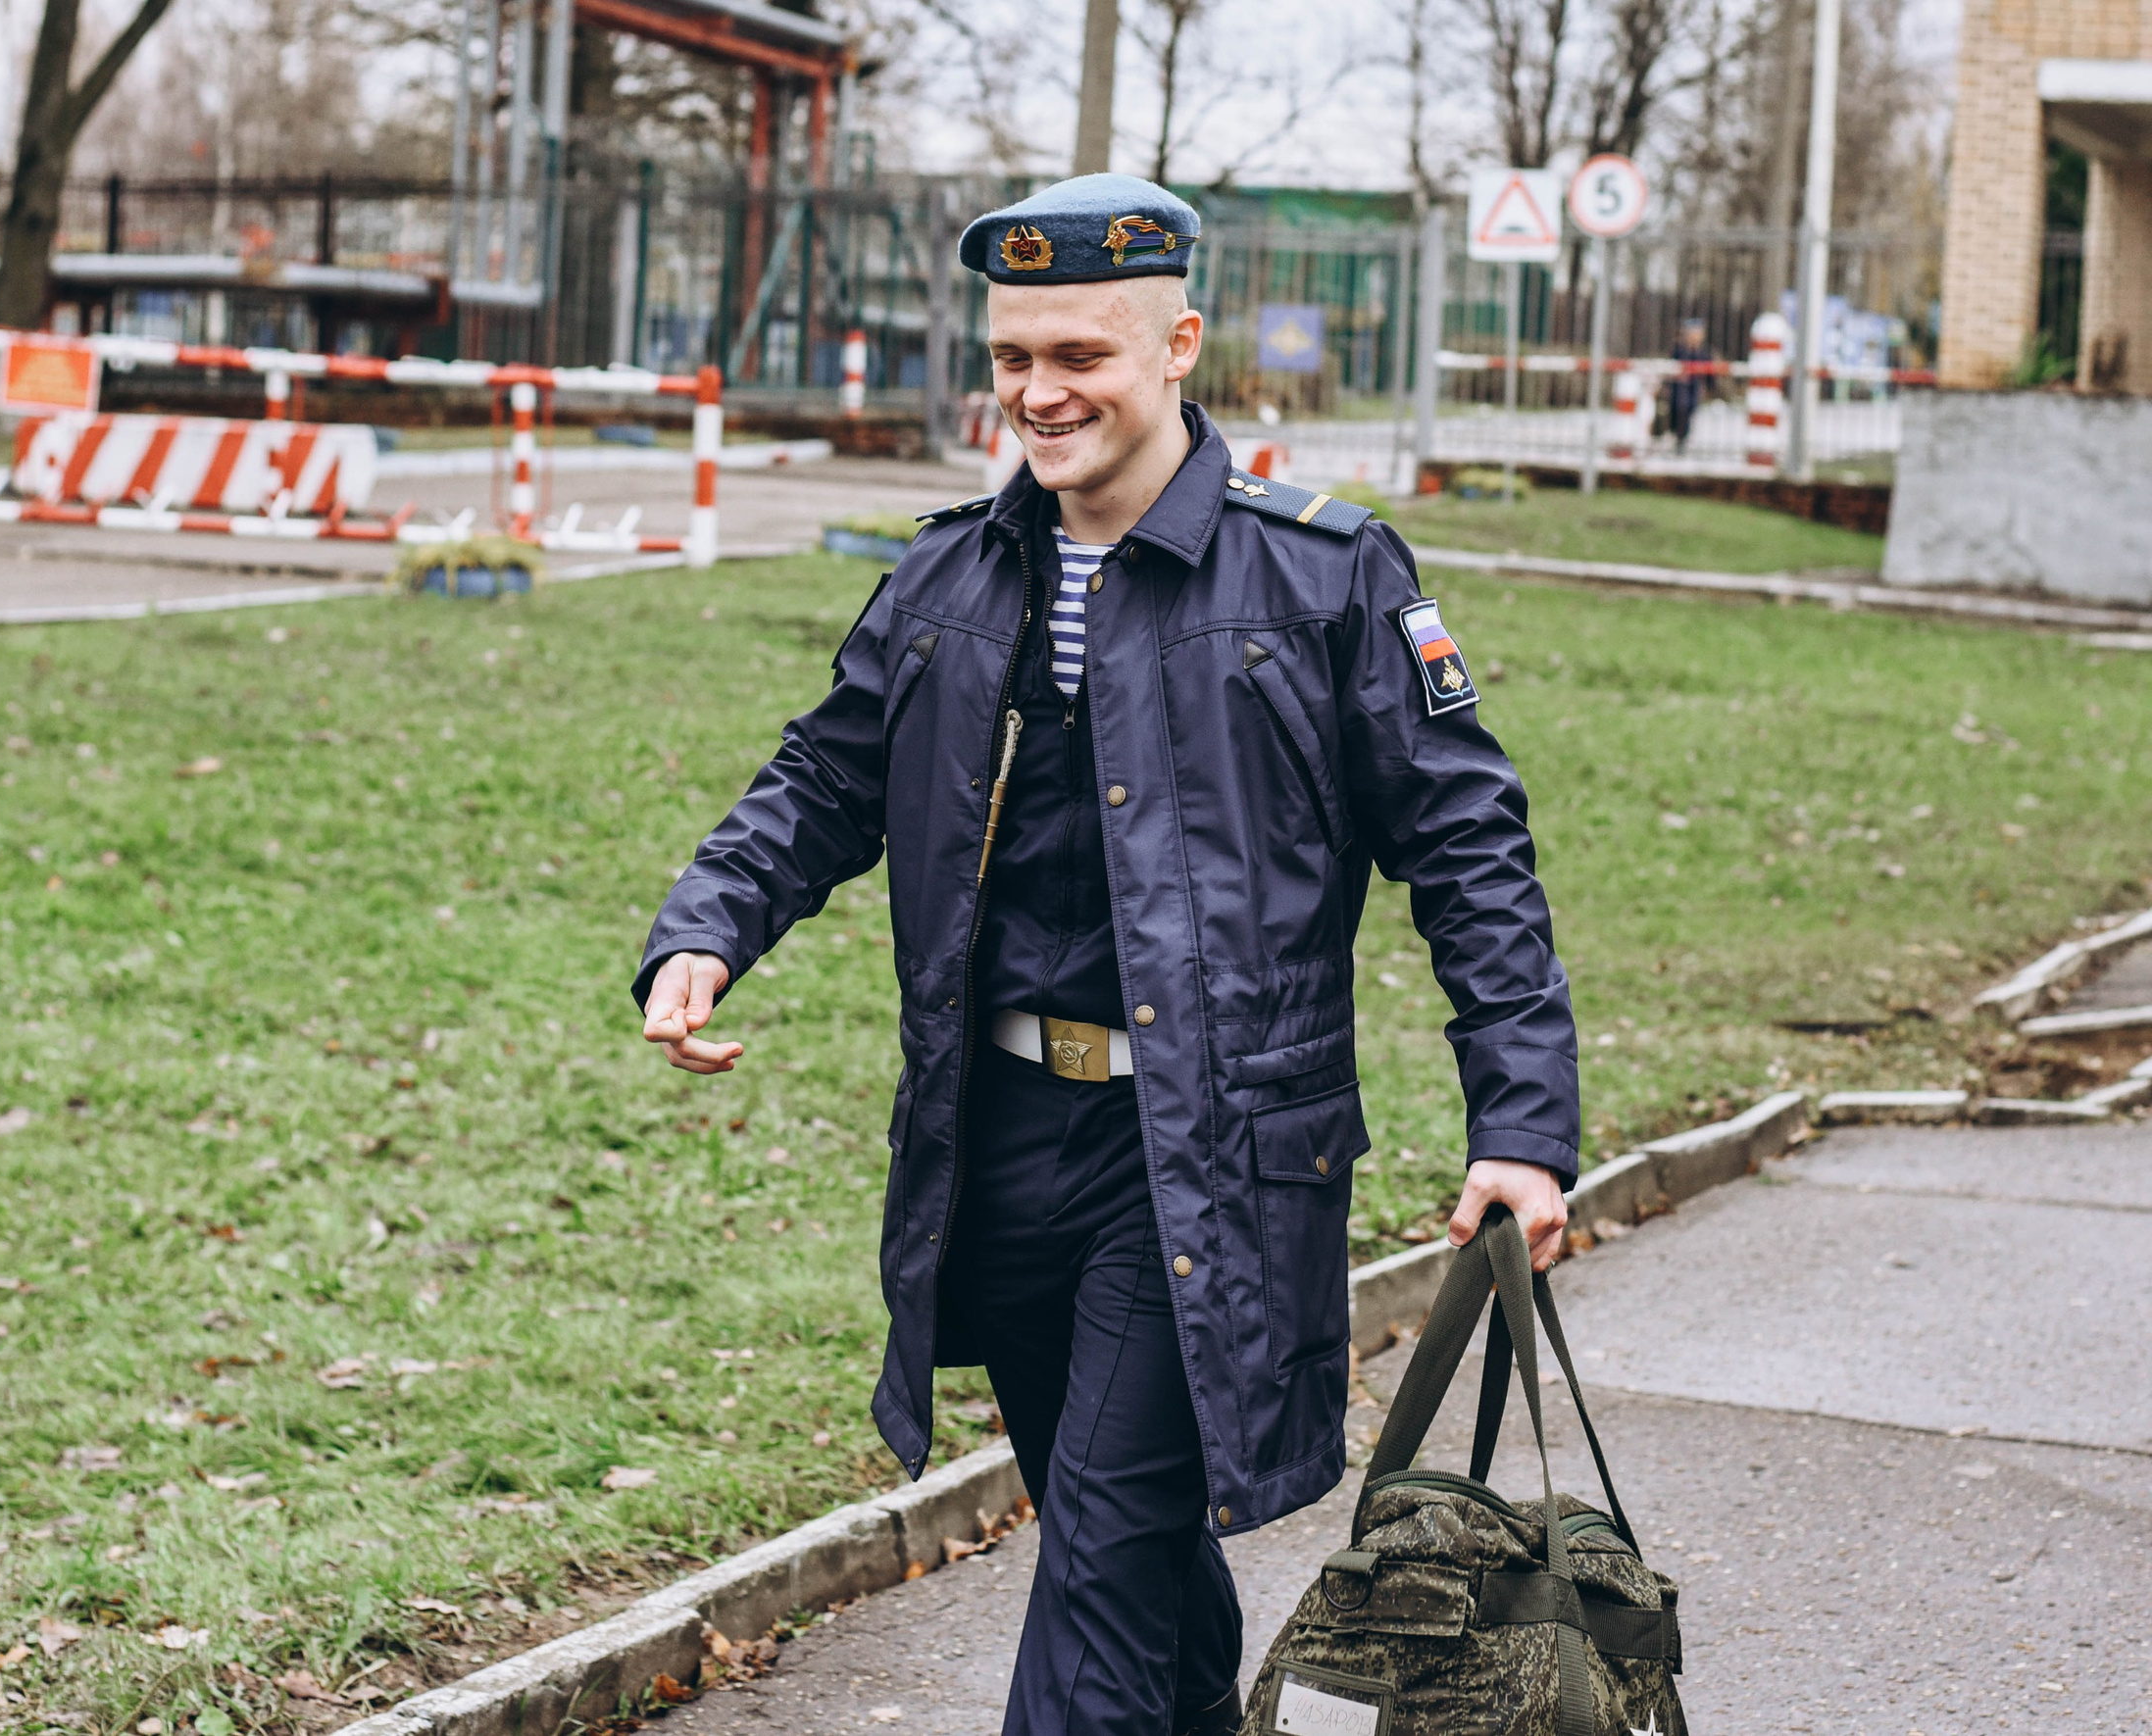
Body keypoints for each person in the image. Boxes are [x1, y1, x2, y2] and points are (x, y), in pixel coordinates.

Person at [633, 174, 1577, 1736]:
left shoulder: (1324, 578)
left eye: (1082, 354)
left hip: (1199, 1152)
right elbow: (825, 773)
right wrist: (707, 927)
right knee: (1117, 1539)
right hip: (1000, 1139)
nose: (1038, 391)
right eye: (1014, 356)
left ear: (1179, 344)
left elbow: (1470, 852)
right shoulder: (954, 569)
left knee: (1094, 1594)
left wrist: (1524, 1125)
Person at [1667, 316, 1714, 453]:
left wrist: (1710, 387)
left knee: (1687, 412)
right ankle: (1676, 436)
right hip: (1678, 388)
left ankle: (1681, 439)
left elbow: (1710, 373)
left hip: (1693, 389)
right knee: (1677, 410)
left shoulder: (1704, 353)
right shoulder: (1679, 350)